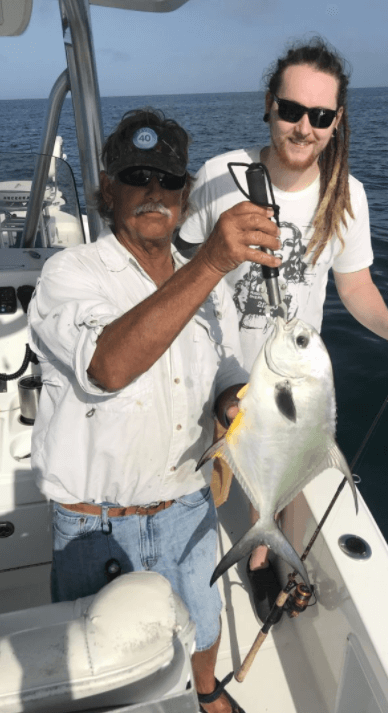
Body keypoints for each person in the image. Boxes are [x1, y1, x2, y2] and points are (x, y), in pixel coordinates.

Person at [28, 108, 282, 713]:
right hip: (97, 525)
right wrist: (211, 262)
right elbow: (107, 367)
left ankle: (205, 690)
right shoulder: (70, 272)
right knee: (106, 670)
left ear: (184, 194)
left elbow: (220, 363)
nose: (154, 193)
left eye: (168, 181)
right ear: (108, 189)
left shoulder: (206, 288)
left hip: (187, 504)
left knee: (203, 620)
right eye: (136, 176)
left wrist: (232, 395)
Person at [179, 37, 388, 623]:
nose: (304, 127)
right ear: (269, 103)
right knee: (204, 478)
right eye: (293, 110)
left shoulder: (347, 195)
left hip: (293, 384)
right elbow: (181, 275)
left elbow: (358, 290)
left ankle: (263, 554)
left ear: (337, 119)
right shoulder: (222, 176)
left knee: (284, 479)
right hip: (217, 373)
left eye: (321, 116)